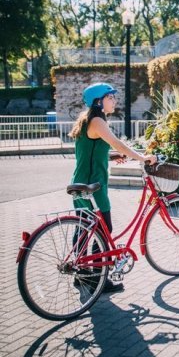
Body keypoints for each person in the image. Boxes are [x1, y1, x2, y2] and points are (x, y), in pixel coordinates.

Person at [69, 82, 157, 293]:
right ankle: (100, 280)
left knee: (84, 229)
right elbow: (118, 143)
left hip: (80, 182)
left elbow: (89, 153)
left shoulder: (88, 120)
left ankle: (81, 274)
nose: (114, 101)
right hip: (94, 186)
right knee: (103, 229)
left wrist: (111, 156)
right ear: (99, 101)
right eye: (110, 97)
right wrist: (142, 157)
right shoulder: (98, 121)